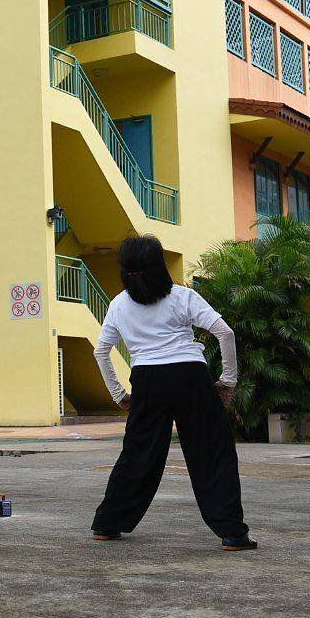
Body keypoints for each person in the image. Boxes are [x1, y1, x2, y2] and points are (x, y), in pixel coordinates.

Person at [90, 235, 256, 551]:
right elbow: (225, 332)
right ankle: (232, 533)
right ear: (159, 267)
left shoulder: (118, 304)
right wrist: (228, 381)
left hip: (146, 381)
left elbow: (102, 351)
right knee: (211, 453)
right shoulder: (182, 297)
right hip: (189, 377)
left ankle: (106, 524)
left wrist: (118, 394)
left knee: (138, 454)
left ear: (125, 271)